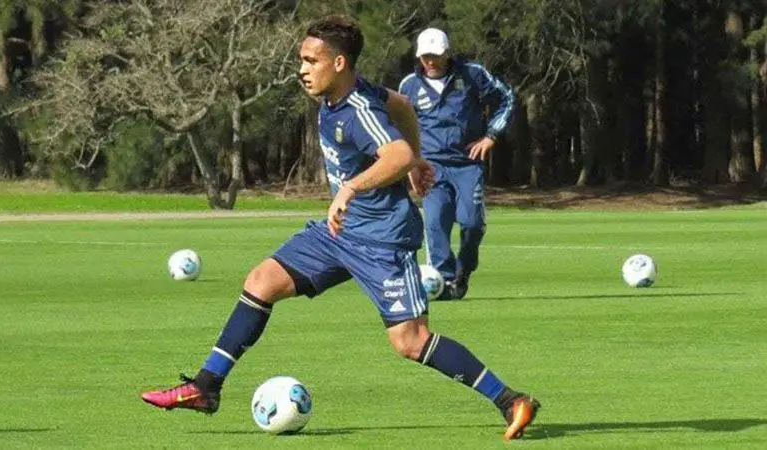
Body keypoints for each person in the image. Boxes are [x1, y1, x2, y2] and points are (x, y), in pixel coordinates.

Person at [140, 16, 539, 441]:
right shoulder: (349, 93)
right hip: (338, 234)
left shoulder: (359, 110)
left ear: (340, 63)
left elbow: (396, 152)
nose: (303, 69)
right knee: (260, 281)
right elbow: (402, 107)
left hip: (383, 240)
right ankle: (206, 386)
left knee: (410, 341)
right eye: (302, 59)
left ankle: (510, 399)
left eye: (312, 60)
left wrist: (364, 181)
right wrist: (419, 161)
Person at [399, 28, 515, 300]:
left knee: (472, 223)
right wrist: (411, 163)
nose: (431, 61)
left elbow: (507, 98)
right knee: (436, 223)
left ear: (447, 53)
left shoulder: (473, 75)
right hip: (431, 165)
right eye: (425, 56)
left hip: (467, 163)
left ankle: (465, 268)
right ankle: (446, 281)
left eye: (436, 55)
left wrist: (491, 135)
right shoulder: (409, 86)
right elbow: (400, 125)